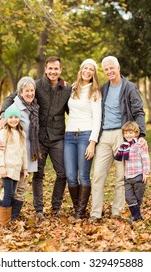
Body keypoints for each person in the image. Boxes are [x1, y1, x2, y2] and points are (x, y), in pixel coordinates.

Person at [0, 57, 71, 222]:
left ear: (60, 70)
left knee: (62, 173)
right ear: (45, 69)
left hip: (58, 136)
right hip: (39, 138)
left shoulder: (66, 90)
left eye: (56, 69)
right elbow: (12, 97)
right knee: (38, 174)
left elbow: (72, 108)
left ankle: (56, 206)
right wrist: (3, 114)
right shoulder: (35, 85)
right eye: (50, 68)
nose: (53, 72)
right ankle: (39, 209)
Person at [90, 55, 147, 222]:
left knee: (122, 176)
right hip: (104, 136)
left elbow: (138, 111)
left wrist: (141, 134)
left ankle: (117, 211)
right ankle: (95, 213)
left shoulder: (129, 87)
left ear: (118, 67)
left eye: (111, 68)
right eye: (106, 69)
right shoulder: (103, 89)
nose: (109, 71)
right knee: (98, 175)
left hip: (123, 136)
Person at [0, 76, 41, 221]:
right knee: (9, 191)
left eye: (32, 90)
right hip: (12, 157)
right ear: (20, 92)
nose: (29, 94)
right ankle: (1, 219)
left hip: (28, 155)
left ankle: (12, 218)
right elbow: (4, 127)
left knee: (20, 190)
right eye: (26, 91)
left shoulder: (35, 107)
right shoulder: (14, 108)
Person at [64, 59, 102, 219]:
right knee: (71, 175)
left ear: (94, 73)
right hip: (69, 136)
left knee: (83, 176)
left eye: (91, 69)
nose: (87, 71)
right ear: (81, 70)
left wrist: (92, 143)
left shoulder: (95, 92)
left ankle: (80, 213)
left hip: (85, 135)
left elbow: (97, 119)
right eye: (85, 68)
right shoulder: (73, 88)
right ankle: (77, 207)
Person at [0, 106, 29, 226]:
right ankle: (2, 222)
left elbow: (24, 152)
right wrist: (2, 167)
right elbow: (0, 152)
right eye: (10, 117)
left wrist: (25, 169)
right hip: (6, 169)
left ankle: (3, 219)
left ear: (19, 119)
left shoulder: (22, 133)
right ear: (6, 119)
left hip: (16, 170)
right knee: (8, 194)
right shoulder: (4, 133)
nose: (13, 120)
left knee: (12, 193)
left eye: (16, 117)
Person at [114, 121, 150, 223]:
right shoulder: (124, 146)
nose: (128, 135)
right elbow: (123, 160)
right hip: (128, 176)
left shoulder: (139, 145)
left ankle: (136, 216)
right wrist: (124, 174)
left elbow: (146, 159)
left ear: (136, 133)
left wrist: (146, 173)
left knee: (138, 198)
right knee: (129, 197)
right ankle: (137, 216)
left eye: (130, 132)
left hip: (138, 176)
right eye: (126, 133)